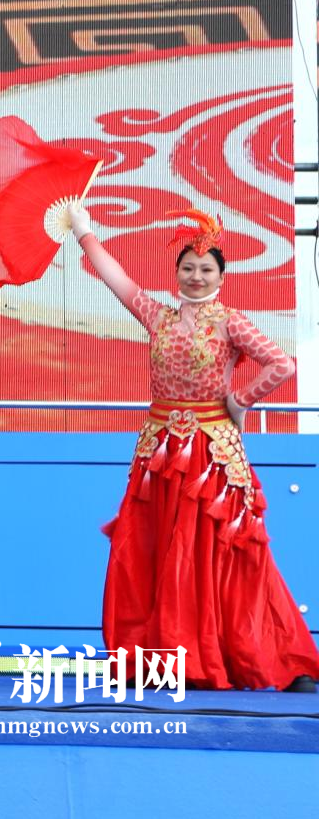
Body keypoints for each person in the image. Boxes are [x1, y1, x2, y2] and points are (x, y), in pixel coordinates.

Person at [70, 204, 319, 691]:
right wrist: (85, 233)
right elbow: (115, 279)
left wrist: (239, 401)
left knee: (219, 556)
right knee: (158, 552)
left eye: (206, 270)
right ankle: (169, 659)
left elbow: (282, 365)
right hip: (159, 454)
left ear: (221, 277)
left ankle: (259, 656)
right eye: (188, 268)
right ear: (176, 273)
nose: (197, 277)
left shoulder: (231, 322)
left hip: (212, 456)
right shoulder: (157, 316)